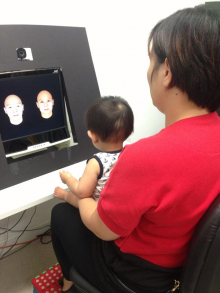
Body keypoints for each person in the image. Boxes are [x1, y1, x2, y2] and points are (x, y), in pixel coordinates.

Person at [51, 4, 220, 293]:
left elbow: (104, 229)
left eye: (150, 60)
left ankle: (69, 283)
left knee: (60, 215)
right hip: (185, 266)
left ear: (166, 71)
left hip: (136, 278)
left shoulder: (146, 155)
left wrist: (79, 198)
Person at [54, 96, 134, 206]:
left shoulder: (96, 162)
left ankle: (66, 196)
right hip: (123, 204)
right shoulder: (131, 152)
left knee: (83, 199)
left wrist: (67, 178)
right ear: (129, 133)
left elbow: (82, 192)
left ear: (92, 136)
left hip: (100, 210)